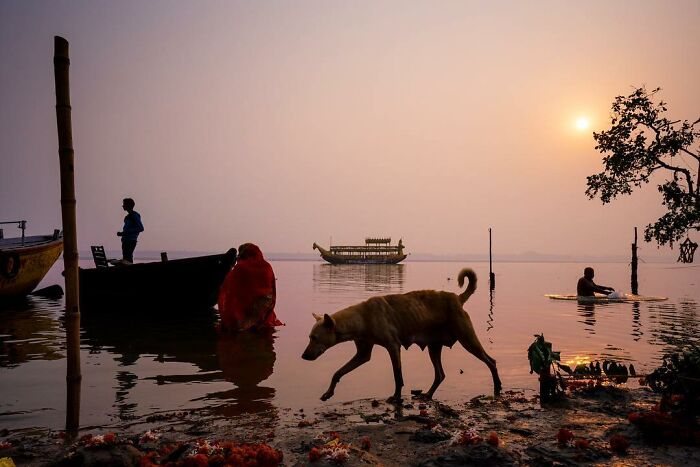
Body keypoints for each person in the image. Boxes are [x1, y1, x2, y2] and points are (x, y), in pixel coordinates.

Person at [218, 243, 283, 332]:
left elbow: (227, 290)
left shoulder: (240, 268)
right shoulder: (267, 266)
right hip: (263, 313)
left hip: (243, 316)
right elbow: (272, 291)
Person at [116, 197, 144, 263]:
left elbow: (141, 228)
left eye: (124, 204)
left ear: (128, 205)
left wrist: (124, 233)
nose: (122, 206)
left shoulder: (135, 215)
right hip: (125, 241)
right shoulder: (127, 217)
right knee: (126, 258)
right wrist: (122, 233)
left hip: (131, 241)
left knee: (127, 259)